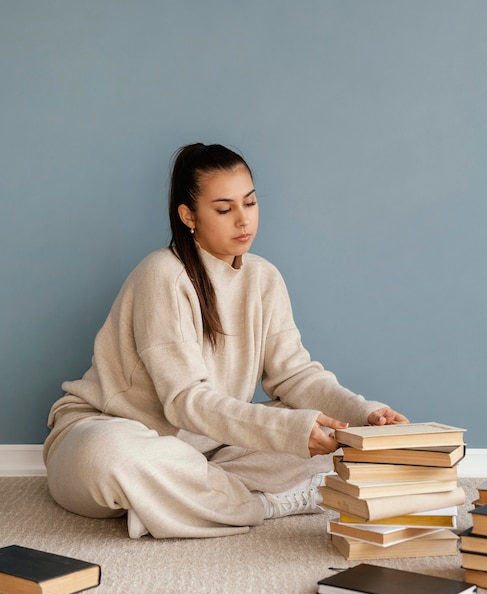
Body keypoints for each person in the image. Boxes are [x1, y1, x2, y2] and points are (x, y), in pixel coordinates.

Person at [43, 143, 408, 539]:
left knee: (343, 446)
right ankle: (262, 505)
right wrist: (289, 430)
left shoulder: (264, 278)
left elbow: (297, 377)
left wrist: (365, 415)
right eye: (223, 209)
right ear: (188, 216)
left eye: (250, 203)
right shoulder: (162, 275)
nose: (242, 220)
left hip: (207, 449)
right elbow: (185, 401)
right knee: (108, 455)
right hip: (110, 433)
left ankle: (180, 499)